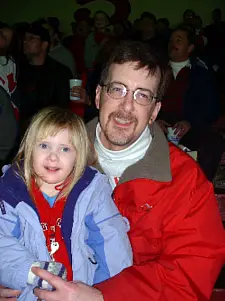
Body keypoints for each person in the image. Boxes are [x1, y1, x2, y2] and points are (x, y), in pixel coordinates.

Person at [22, 40, 225, 301]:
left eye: (142, 95)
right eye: (117, 90)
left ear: (154, 111)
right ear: (97, 95)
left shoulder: (185, 181)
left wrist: (101, 297)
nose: (126, 107)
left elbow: (190, 274)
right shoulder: (46, 158)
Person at [0, 107, 132, 300]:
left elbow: (112, 242)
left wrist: (106, 292)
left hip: (79, 291)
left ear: (78, 155)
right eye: (44, 145)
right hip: (30, 292)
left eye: (65, 148)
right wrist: (32, 272)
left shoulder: (91, 191)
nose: (53, 156)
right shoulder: (11, 191)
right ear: (29, 148)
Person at [158, 24, 223, 181]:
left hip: (188, 127)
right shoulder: (156, 71)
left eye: (179, 40)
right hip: (158, 126)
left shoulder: (201, 74)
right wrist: (153, 121)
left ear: (190, 48)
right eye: (171, 40)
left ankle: (199, 187)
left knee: (214, 142)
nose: (173, 43)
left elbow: (211, 107)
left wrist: (190, 122)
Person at [18, 24, 72, 127]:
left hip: (50, 126)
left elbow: (62, 106)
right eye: (24, 39)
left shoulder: (60, 72)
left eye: (31, 39)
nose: (25, 42)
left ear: (44, 45)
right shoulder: (18, 69)